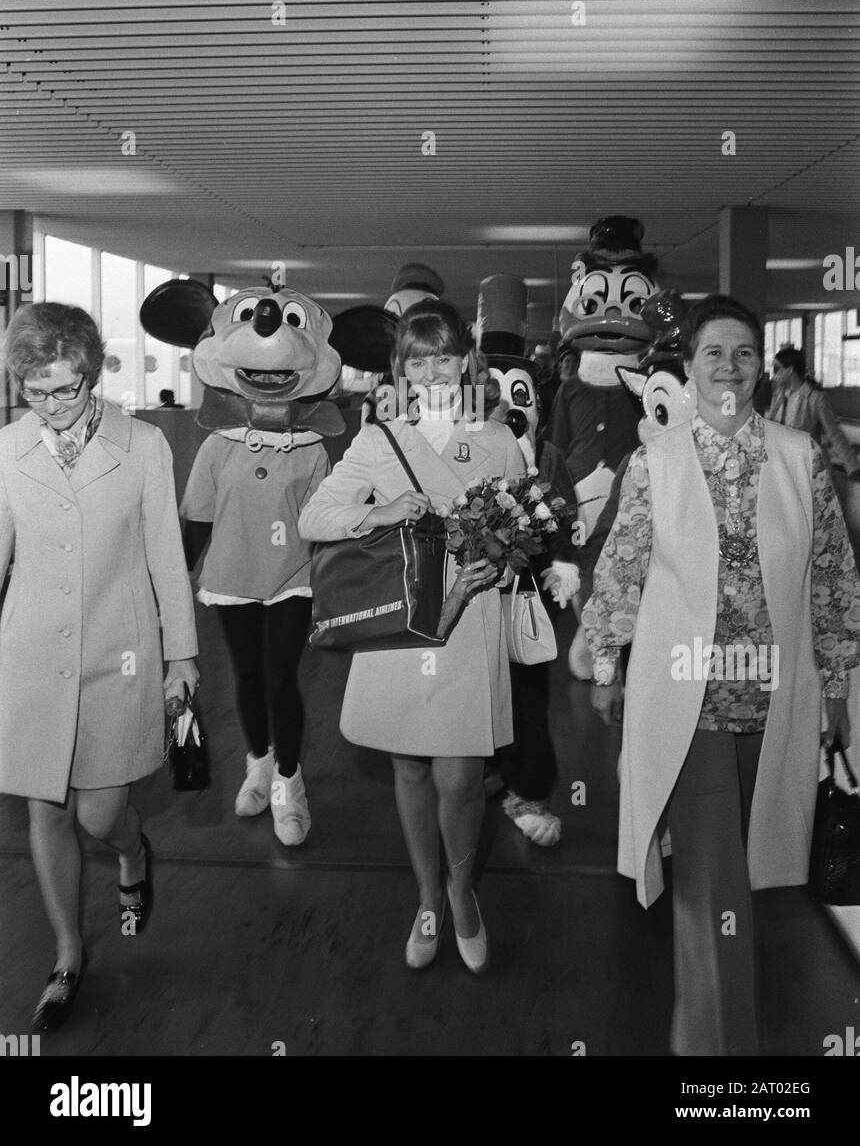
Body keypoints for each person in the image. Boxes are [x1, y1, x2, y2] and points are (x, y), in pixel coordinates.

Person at [582, 293, 859, 1057]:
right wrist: (606, 662)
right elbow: (622, 569)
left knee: (756, 869)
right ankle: (722, 1059)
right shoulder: (656, 461)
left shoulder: (798, 458)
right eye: (714, 353)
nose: (729, 367)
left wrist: (836, 685)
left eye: (743, 353)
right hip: (691, 700)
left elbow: (834, 579)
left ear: (761, 368)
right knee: (713, 890)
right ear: (690, 366)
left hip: (780, 701)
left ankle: (699, 1027)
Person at [299, 300, 525, 974]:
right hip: (401, 622)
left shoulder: (498, 439)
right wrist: (381, 508)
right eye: (416, 359)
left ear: (466, 361)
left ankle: (462, 889)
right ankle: (428, 896)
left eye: (444, 356)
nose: (431, 371)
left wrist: (510, 555)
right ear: (399, 368)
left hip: (470, 617)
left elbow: (523, 529)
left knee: (459, 776)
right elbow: (315, 515)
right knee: (407, 765)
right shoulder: (378, 439)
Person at [0, 303, 199, 1032]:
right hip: (28, 657)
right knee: (44, 809)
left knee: (99, 811)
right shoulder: (6, 450)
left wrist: (182, 655)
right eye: (35, 390)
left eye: (66, 388)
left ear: (92, 372)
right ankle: (66, 954)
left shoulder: (143, 446)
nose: (51, 405)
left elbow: (166, 559)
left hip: (119, 651)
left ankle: (132, 853)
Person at [767, 345, 860, 480]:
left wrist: (853, 467)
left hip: (805, 468)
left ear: (790, 370)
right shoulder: (778, 396)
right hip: (780, 466)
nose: (773, 374)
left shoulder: (815, 398)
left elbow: (834, 433)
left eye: (776, 368)